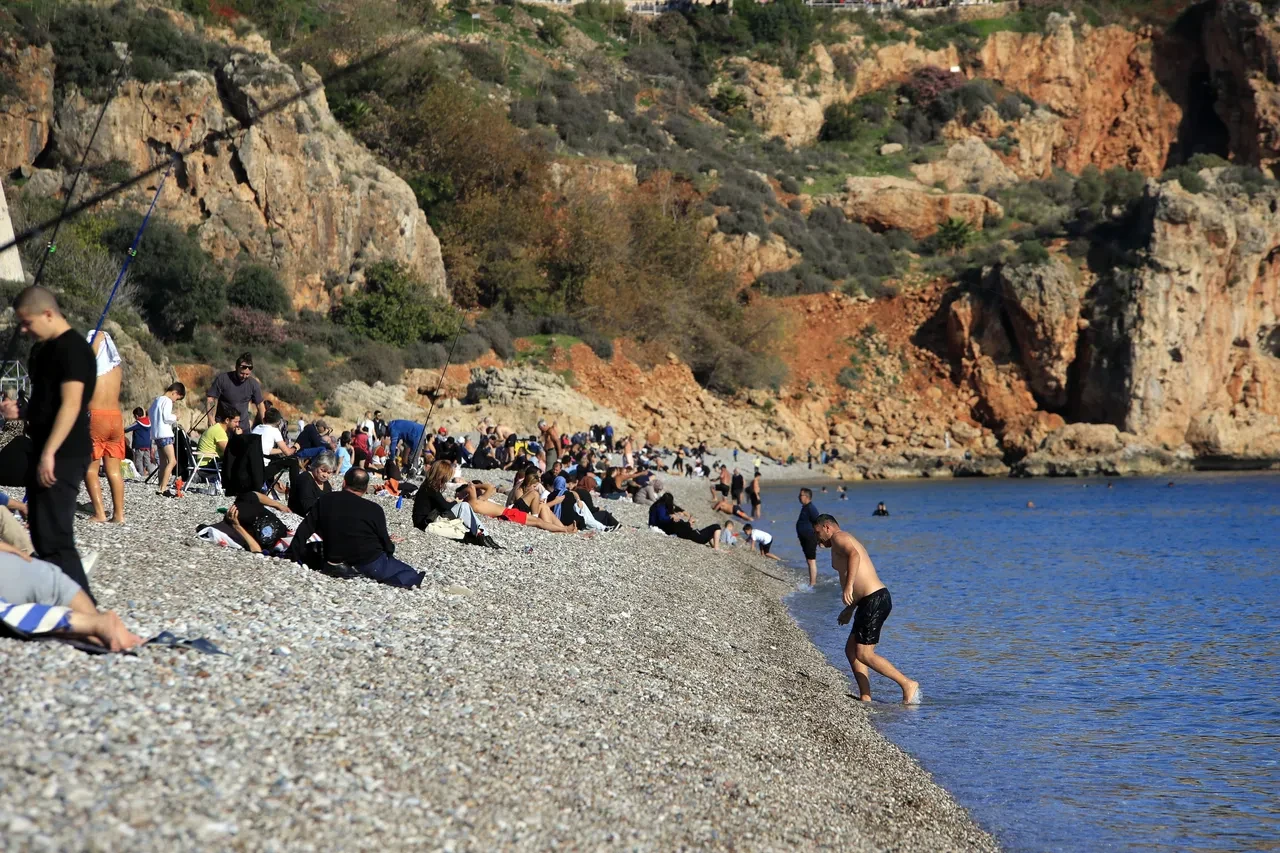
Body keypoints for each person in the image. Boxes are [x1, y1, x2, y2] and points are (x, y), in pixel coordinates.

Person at [0, 289, 98, 600]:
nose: (24, 331)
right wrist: (19, 412)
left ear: (48, 314)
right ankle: (57, 599)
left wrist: (49, 453)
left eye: (27, 323)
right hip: (44, 448)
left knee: (56, 535)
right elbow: (47, 403)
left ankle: (85, 609)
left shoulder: (74, 350)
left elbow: (71, 405)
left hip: (65, 453)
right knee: (41, 533)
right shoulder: (41, 352)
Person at [814, 514, 920, 705]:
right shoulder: (836, 543)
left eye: (818, 532)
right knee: (851, 650)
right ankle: (865, 696)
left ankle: (907, 684)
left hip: (875, 598)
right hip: (866, 601)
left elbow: (854, 556)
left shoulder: (839, 537)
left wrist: (848, 586)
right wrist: (850, 608)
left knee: (864, 653)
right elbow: (855, 574)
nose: (817, 537)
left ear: (827, 527)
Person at [291, 468, 423, 588]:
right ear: (365, 489)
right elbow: (385, 543)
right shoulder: (374, 509)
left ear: (344, 483)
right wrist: (390, 551)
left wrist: (293, 554)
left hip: (334, 557)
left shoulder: (325, 499)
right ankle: (387, 580)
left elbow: (305, 529)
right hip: (367, 561)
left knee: (313, 548)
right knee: (410, 573)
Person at [0, 551, 142, 651]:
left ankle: (94, 625)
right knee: (51, 581)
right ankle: (106, 632)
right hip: (33, 570)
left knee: (9, 614)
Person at [84, 328, 126, 523]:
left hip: (97, 417)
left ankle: (100, 513)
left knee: (90, 469)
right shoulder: (117, 370)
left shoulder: (91, 368)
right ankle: (119, 515)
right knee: (114, 470)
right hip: (116, 418)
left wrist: (95, 341)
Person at [412, 460, 500, 548]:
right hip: (425, 523)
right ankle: (484, 535)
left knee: (463, 509)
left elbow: (441, 505)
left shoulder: (428, 485)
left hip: (428, 519)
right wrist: (456, 501)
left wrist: (454, 502)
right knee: (463, 509)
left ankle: (483, 535)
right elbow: (445, 507)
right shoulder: (431, 488)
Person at [205, 352, 265, 433]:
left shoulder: (253, 384)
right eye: (242, 373)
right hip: (223, 426)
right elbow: (210, 399)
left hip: (243, 428)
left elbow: (260, 405)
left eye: (247, 374)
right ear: (236, 368)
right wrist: (210, 419)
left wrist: (265, 425)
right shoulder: (223, 379)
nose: (244, 376)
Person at [149, 382, 185, 496]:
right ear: (174, 393)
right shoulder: (167, 401)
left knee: (164, 463)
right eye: (177, 398)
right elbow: (166, 417)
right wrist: (176, 417)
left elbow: (150, 413)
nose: (175, 401)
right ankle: (163, 488)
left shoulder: (157, 400)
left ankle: (161, 485)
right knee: (172, 461)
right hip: (165, 434)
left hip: (156, 434)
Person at [649, 493, 720, 548]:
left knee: (710, 532)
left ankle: (714, 546)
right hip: (696, 536)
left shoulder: (658, 505)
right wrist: (688, 523)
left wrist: (687, 522)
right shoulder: (663, 509)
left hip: (692, 533)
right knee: (716, 526)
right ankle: (716, 548)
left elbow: (682, 528)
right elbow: (663, 519)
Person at [253, 407, 297, 486]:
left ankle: (269, 486)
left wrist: (281, 450)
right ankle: (295, 490)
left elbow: (266, 450)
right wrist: (296, 447)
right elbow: (288, 453)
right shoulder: (274, 431)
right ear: (278, 422)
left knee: (274, 458)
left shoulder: (257, 428)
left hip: (252, 466)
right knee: (293, 461)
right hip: (261, 471)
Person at [289, 451, 335, 517]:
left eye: (329, 473)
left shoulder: (326, 484)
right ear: (316, 465)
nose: (325, 475)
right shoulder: (305, 479)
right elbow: (307, 506)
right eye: (323, 470)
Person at [796, 488, 821, 587]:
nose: (798, 497)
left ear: (806, 497)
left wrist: (819, 539)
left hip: (810, 538)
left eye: (800, 495)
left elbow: (818, 523)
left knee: (811, 560)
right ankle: (812, 582)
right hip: (805, 538)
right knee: (809, 560)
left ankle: (813, 583)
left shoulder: (811, 508)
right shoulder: (805, 507)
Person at [124, 407, 153, 479]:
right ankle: (152, 474)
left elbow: (127, 429)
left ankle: (141, 476)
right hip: (148, 445)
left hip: (139, 446)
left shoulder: (138, 423)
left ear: (136, 416)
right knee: (147, 461)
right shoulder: (149, 421)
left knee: (138, 461)